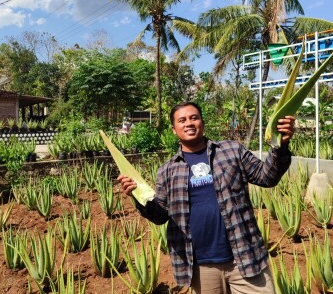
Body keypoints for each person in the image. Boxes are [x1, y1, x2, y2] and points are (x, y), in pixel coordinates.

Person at [118, 101, 295, 294]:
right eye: (182, 120)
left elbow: (266, 177)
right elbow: (160, 215)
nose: (189, 123)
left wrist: (280, 146)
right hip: (201, 266)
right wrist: (137, 196)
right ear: (174, 129)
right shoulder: (167, 170)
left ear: (202, 122)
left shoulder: (232, 151)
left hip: (244, 257)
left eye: (194, 118)